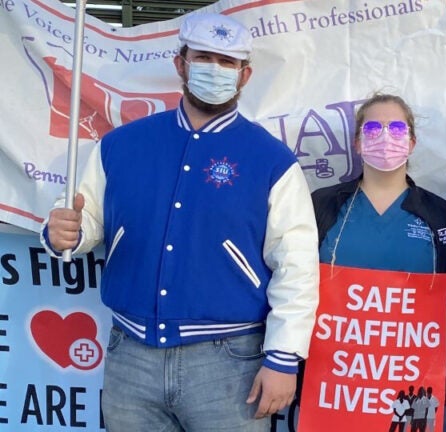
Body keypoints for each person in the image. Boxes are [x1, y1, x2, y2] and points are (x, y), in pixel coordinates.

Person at [40, 12, 319, 432]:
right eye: (204, 57)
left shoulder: (272, 161)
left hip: (230, 364)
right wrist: (65, 234)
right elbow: (86, 219)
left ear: (245, 76)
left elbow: (296, 265)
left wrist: (283, 358)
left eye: (227, 62)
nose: (215, 69)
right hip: (130, 356)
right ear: (180, 64)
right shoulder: (120, 145)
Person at [311, 93, 446, 432]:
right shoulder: (322, 206)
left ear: (412, 142)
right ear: (357, 142)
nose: (385, 137)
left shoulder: (440, 216)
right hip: (333, 386)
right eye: (373, 128)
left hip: (415, 391)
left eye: (397, 128)